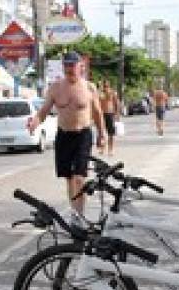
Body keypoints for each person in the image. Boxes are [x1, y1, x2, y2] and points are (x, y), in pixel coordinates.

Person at [28, 51, 106, 220]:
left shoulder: (89, 87)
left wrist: (102, 134)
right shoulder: (55, 88)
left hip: (83, 135)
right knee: (69, 179)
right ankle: (75, 212)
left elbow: (98, 113)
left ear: (81, 67)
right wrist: (35, 122)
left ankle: (80, 215)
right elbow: (43, 111)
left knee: (79, 178)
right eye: (66, 65)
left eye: (72, 65)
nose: (69, 69)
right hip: (63, 136)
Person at [99, 79, 120, 155]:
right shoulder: (100, 93)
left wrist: (117, 114)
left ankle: (110, 149)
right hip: (101, 114)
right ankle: (102, 148)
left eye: (106, 85)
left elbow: (117, 103)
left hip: (110, 113)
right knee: (101, 132)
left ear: (109, 85)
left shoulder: (113, 92)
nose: (105, 87)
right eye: (104, 85)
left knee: (110, 133)